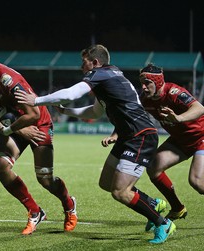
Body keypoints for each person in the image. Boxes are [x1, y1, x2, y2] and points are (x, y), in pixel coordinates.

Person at [15, 44, 175, 244]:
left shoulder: (101, 74)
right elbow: (95, 112)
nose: (82, 67)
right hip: (128, 136)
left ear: (95, 63)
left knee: (120, 191)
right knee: (106, 182)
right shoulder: (109, 77)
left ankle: (163, 223)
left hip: (140, 135)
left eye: (84, 63)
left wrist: (37, 100)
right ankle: (152, 203)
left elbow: (72, 94)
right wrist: (67, 112)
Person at [0, 47, 77, 235]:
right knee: (0, 165)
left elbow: (34, 114)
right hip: (15, 125)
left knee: (46, 180)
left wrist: (9, 129)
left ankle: (69, 204)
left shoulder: (8, 80)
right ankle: (35, 211)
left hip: (38, 124)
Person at [102, 63, 203, 226]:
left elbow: (199, 108)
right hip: (180, 141)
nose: (143, 86)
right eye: (142, 82)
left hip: (201, 137)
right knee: (154, 166)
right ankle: (177, 208)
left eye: (147, 82)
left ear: (158, 82)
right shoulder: (145, 98)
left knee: (197, 182)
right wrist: (115, 134)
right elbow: (130, 117)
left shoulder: (174, 92)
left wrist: (178, 118)